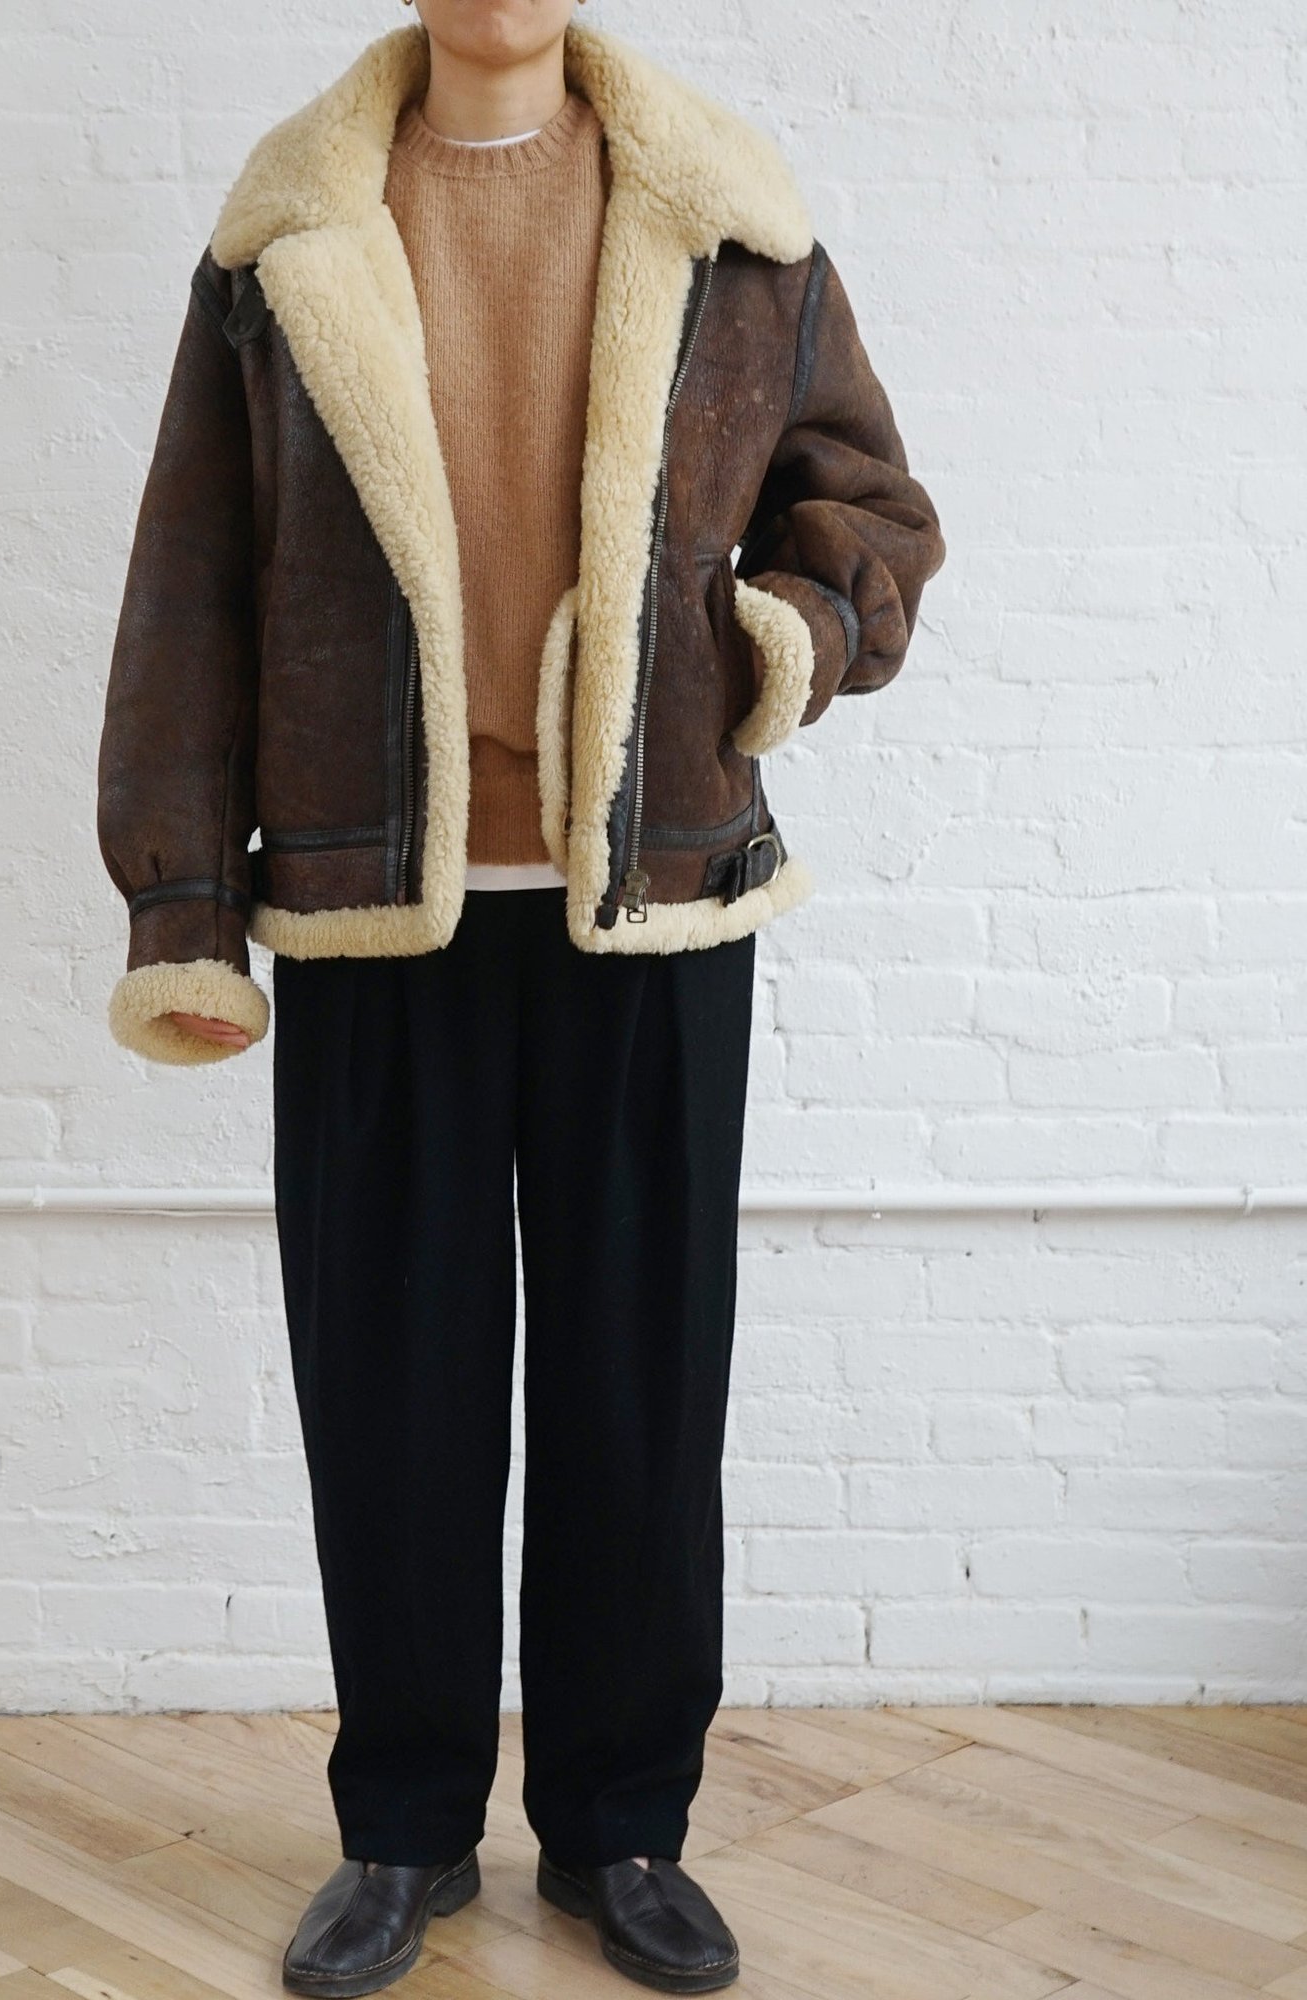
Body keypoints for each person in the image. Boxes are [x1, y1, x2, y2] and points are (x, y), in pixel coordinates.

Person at [96, 0, 945, 1989]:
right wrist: (180, 910)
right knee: (387, 1396)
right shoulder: (281, 238)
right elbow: (190, 584)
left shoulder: (733, 222)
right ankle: (401, 1832)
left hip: (653, 894)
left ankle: (621, 1828)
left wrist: (777, 636)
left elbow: (873, 512)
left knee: (638, 1390)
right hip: (369, 904)